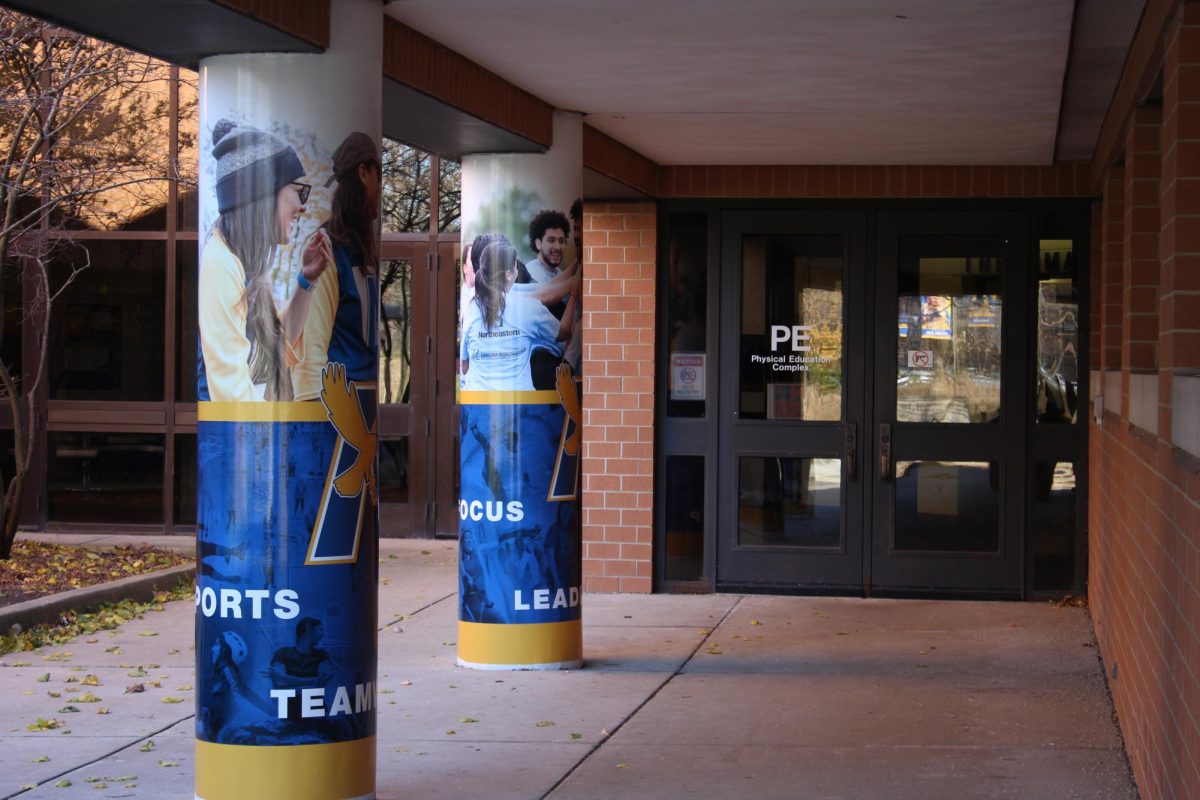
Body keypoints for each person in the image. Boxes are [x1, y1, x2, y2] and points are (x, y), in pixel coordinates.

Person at [199, 119, 331, 402]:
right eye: (298, 191)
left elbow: (277, 351)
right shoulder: (222, 265)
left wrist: (306, 281)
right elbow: (232, 396)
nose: (302, 206)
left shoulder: (240, 261)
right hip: (238, 443)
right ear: (264, 195)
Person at [293, 132, 381, 400]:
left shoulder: (362, 248)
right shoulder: (326, 247)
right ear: (364, 173)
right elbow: (312, 345)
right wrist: (315, 421)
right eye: (379, 176)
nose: (380, 189)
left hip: (358, 409)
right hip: (336, 411)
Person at [460, 240, 572, 391]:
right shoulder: (527, 307)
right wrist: (574, 296)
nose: (517, 271)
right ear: (508, 274)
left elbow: (465, 365)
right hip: (521, 406)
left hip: (479, 405)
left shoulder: (471, 308)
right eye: (515, 267)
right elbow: (563, 332)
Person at [524, 209, 571, 285]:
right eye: (551, 240)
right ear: (538, 243)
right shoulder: (530, 273)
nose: (558, 247)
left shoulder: (560, 274)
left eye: (561, 241)